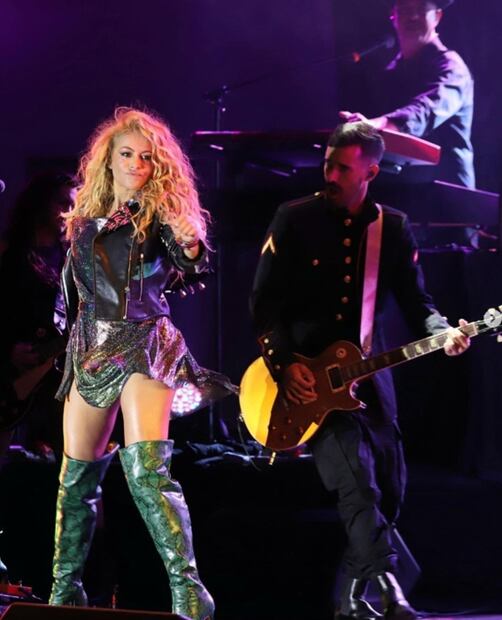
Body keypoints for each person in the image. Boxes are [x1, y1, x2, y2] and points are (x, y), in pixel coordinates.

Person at [250, 122, 470, 620]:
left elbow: (418, 303)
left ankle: (349, 596)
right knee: (356, 482)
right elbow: (264, 305)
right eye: (328, 164)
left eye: (343, 168)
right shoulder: (294, 218)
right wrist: (285, 365)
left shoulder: (392, 228)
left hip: (371, 376)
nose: (330, 175)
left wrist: (443, 332)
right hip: (307, 381)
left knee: (391, 487)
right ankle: (390, 590)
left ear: (371, 172)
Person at [49, 107, 233, 620]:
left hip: (145, 343)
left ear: (158, 166)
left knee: (147, 472)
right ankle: (65, 591)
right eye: (126, 154)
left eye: (146, 157)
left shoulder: (159, 216)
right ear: (107, 161)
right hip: (91, 349)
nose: (135, 164)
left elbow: (191, 257)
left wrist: (189, 242)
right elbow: (71, 294)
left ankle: (189, 590)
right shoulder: (83, 220)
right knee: (75, 480)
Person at [340, 0, 475, 188]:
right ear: (393, 17)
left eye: (421, 9)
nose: (413, 16)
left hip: (447, 193)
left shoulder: (452, 69)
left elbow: (425, 110)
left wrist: (377, 125)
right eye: (404, 9)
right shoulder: (391, 72)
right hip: (401, 187)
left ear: (437, 17)